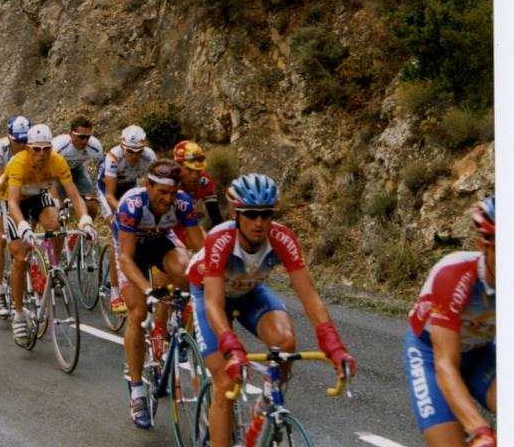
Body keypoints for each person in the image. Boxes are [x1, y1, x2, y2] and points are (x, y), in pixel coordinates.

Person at [188, 173, 356, 447]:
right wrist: (232, 347)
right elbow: (214, 304)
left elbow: (310, 297)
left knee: (285, 344)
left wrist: (333, 344)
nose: (259, 222)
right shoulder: (220, 239)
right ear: (235, 214)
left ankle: (264, 405)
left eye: (266, 214)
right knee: (225, 382)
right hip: (210, 294)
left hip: (249, 291)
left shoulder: (282, 238)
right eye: (251, 214)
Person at [114, 159, 204, 428]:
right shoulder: (132, 204)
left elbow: (200, 247)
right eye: (162, 192)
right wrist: (148, 290)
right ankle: (137, 390)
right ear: (148, 186)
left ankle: (176, 319)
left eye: (173, 193)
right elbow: (126, 258)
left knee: (188, 268)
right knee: (138, 312)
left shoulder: (182, 203)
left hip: (160, 241)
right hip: (131, 251)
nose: (168, 199)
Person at [403, 195, 495, 446]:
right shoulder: (453, 274)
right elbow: (445, 364)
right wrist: (480, 431)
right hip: (430, 355)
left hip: (481, 353)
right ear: (484, 244)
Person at [0, 123, 97, 346]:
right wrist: (23, 226)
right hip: (13, 201)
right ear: (28, 148)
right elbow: (13, 203)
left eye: (46, 149)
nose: (42, 154)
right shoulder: (18, 163)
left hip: (38, 195)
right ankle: (19, 315)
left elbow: (75, 195)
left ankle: (54, 266)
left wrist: (85, 221)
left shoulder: (57, 161)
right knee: (20, 257)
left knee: (56, 224)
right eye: (36, 149)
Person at [97, 125, 157, 312]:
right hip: (108, 191)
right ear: (123, 147)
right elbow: (110, 196)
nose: (134, 156)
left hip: (130, 187)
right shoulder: (114, 157)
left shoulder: (149, 156)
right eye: (130, 151)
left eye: (138, 151)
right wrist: (125, 213)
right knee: (119, 232)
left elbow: (153, 187)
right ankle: (115, 293)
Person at [0, 115, 31, 318]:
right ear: (9, 137)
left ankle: (19, 279)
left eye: (25, 141)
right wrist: (10, 205)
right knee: (1, 236)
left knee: (24, 239)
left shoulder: (34, 148)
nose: (22, 145)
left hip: (20, 185)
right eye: (18, 141)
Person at [51, 116, 104, 218]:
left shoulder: (95, 147)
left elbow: (101, 171)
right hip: (56, 175)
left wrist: (100, 193)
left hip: (77, 170)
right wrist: (57, 201)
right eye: (81, 137)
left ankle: (86, 226)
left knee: (92, 205)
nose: (85, 141)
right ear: (71, 135)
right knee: (58, 211)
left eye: (88, 137)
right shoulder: (58, 147)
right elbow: (48, 175)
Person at [172, 140, 223, 230]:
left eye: (198, 170)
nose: (195, 176)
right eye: (189, 169)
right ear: (177, 166)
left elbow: (216, 218)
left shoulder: (204, 180)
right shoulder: (167, 183)